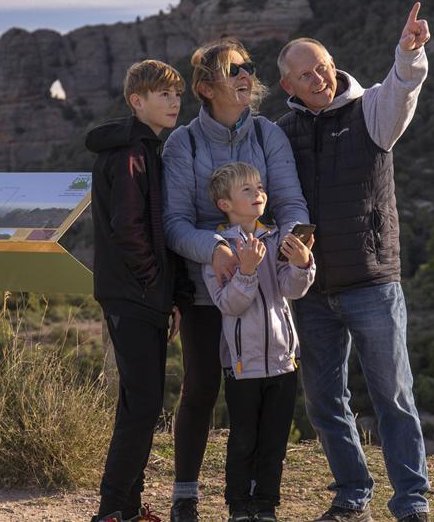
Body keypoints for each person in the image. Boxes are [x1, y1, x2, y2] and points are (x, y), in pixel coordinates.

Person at [275, 3, 433, 522]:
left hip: (371, 283)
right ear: (288, 88)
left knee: (393, 397)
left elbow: (402, 89)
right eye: (305, 74)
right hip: (312, 290)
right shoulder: (281, 133)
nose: (318, 77)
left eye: (321, 65)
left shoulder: (371, 110)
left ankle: (411, 503)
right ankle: (352, 494)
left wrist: (408, 53)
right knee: (325, 403)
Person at [163, 39, 310, 522]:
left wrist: (292, 248)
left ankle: (257, 501)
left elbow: (290, 205)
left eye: (249, 67)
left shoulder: (269, 135)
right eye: (234, 70)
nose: (247, 76)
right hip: (208, 291)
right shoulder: (182, 143)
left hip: (266, 289)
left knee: (265, 404)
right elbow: (175, 223)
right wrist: (218, 248)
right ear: (206, 87)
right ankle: (185, 494)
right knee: (202, 386)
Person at [85, 59, 193, 522]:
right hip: (135, 296)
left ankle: (127, 510)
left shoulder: (142, 148)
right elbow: (129, 229)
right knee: (144, 406)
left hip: (133, 294)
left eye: (176, 95)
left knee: (138, 403)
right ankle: (111, 511)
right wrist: (155, 285)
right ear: (137, 100)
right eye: (163, 94)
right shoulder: (131, 153)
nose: (174, 102)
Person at [202, 162, 315, 522]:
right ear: (225, 204)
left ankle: (265, 505)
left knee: (274, 442)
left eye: (260, 187)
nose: (259, 195)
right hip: (242, 366)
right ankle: (238, 505)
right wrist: (246, 271)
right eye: (247, 190)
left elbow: (291, 290)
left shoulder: (278, 237)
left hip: (283, 362)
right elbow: (229, 304)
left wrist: (301, 264)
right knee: (243, 441)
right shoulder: (218, 250)